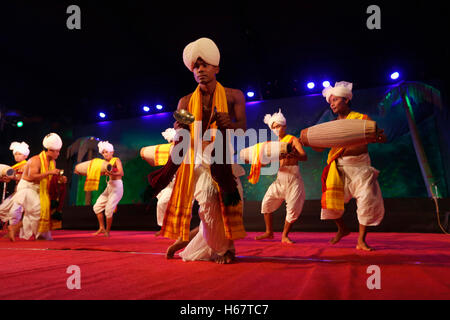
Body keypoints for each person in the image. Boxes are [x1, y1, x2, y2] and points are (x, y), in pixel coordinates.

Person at [156, 37, 247, 264]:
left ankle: (189, 241)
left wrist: (230, 124)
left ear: (216, 67)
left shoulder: (233, 95)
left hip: (223, 159)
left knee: (231, 206)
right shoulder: (185, 101)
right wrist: (180, 131)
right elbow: (183, 138)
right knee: (207, 202)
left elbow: (242, 129)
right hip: (197, 160)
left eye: (205, 65)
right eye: (196, 66)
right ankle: (223, 250)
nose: (200, 70)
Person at [317, 81, 386, 251]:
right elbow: (319, 147)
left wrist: (377, 137)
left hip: (361, 167)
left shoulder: (362, 119)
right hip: (339, 167)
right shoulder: (332, 126)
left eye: (335, 100)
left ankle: (361, 241)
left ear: (346, 100)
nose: (332, 104)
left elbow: (376, 139)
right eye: (330, 101)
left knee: (366, 201)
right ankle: (342, 228)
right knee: (331, 204)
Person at [253, 109, 307, 243]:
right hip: (280, 177)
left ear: (284, 126)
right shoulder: (273, 145)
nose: (276, 129)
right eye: (273, 127)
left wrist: (294, 155)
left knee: (293, 208)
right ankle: (268, 232)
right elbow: (266, 162)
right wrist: (260, 162)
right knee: (266, 203)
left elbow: (304, 156)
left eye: (278, 126)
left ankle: (284, 235)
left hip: (293, 177)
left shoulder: (292, 140)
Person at [7, 133, 65, 241]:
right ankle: (19, 229)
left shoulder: (53, 162)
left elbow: (50, 178)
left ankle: (14, 228)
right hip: (27, 187)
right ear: (49, 150)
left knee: (34, 212)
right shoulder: (35, 160)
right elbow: (32, 176)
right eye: (56, 151)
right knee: (39, 209)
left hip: (38, 188)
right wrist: (49, 172)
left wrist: (59, 179)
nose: (58, 153)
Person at [92, 141, 124, 237]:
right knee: (97, 207)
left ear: (112, 152)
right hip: (109, 186)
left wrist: (111, 174)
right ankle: (101, 228)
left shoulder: (116, 160)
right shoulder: (105, 163)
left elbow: (121, 173)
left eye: (107, 152)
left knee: (108, 210)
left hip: (117, 186)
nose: (105, 154)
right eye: (103, 152)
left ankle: (107, 231)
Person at [0, 142, 30, 234]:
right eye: (15, 154)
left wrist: (13, 177)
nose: (17, 156)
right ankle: (13, 229)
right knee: (2, 209)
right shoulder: (15, 167)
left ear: (25, 156)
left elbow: (25, 178)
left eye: (19, 154)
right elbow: (10, 178)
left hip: (26, 191)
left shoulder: (27, 165)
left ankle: (13, 231)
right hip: (17, 192)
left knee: (15, 211)